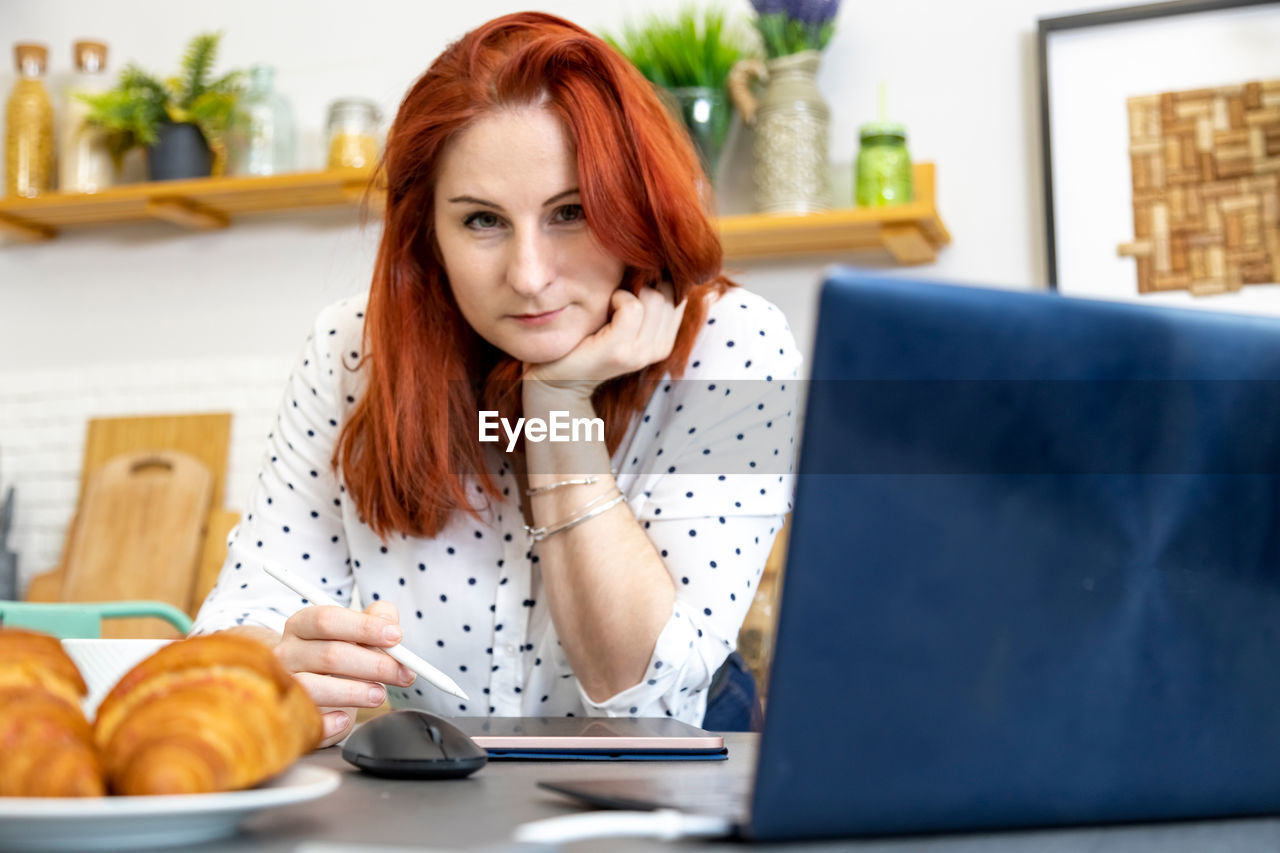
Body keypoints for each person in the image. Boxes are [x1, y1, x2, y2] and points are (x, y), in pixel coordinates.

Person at [192, 11, 801, 747]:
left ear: (636, 206)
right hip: (444, 783)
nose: (530, 275)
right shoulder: (354, 351)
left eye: (571, 212)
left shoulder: (737, 347)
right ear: (428, 233)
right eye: (482, 221)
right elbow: (238, 621)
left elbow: (646, 697)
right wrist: (274, 665)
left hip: (680, 774)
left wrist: (557, 403)